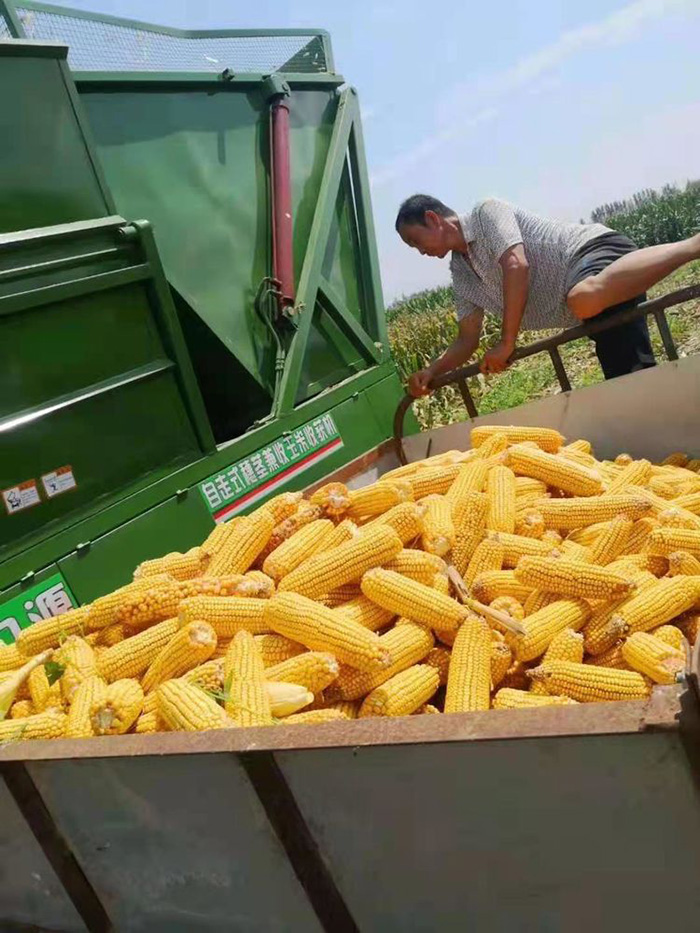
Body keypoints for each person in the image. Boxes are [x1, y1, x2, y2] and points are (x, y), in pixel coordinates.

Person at [395, 194, 700, 397]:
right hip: (591, 308)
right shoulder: (461, 272)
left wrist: (507, 343)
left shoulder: (486, 213)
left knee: (582, 298)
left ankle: (694, 245)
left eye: (415, 241)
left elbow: (516, 265)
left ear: (432, 219)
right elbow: (467, 339)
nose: (420, 251)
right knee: (631, 387)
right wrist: (431, 371)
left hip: (595, 254)